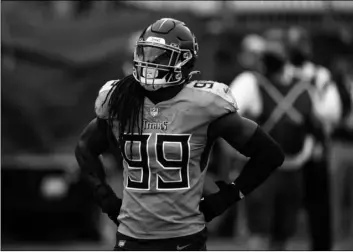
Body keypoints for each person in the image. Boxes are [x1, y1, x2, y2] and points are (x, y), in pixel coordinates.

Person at [75, 18, 284, 251]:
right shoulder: (121, 99)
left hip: (184, 238)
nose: (149, 62)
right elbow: (85, 148)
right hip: (131, 237)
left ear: (183, 60)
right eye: (145, 53)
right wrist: (106, 199)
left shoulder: (202, 104)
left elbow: (269, 154)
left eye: (160, 56)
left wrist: (225, 198)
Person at [229, 34, 322, 250]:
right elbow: (228, 113)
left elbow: (316, 124)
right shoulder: (251, 82)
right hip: (264, 171)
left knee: (283, 234)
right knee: (259, 232)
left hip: (293, 168)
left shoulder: (303, 88)